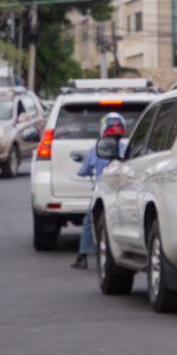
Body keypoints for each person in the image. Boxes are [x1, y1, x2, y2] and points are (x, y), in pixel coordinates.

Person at [73, 111, 131, 269]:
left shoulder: (95, 150)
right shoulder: (126, 148)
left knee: (88, 221)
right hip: (123, 193)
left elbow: (83, 171)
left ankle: (82, 256)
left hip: (102, 192)